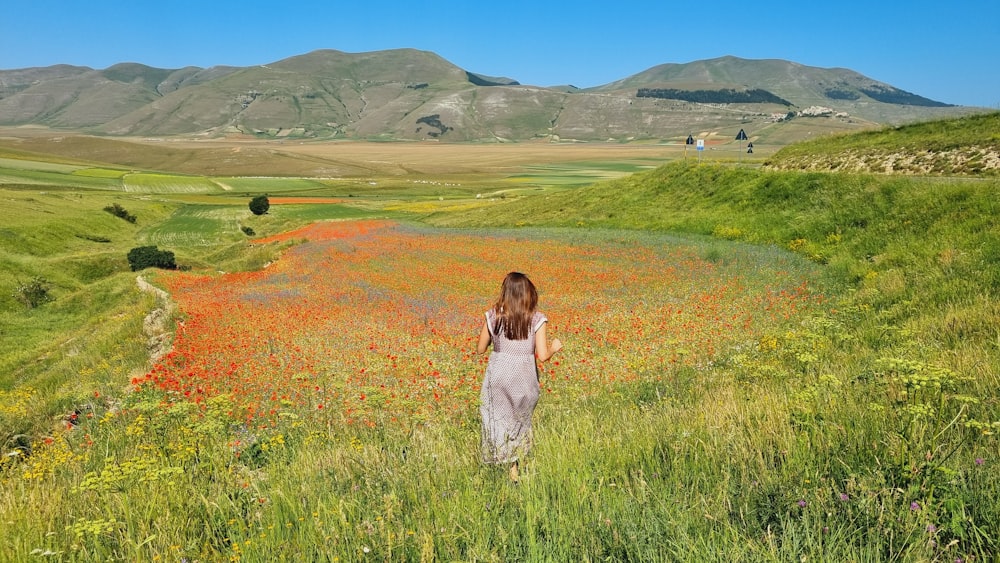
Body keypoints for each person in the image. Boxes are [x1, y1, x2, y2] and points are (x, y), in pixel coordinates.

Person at [476, 272, 562, 482]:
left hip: (498, 376)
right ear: (528, 294)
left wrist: (495, 340)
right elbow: (542, 356)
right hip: (524, 378)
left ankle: (507, 466)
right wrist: (554, 348)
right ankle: (514, 470)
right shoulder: (537, 319)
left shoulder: (493, 316)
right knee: (520, 422)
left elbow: (480, 349)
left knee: (498, 421)